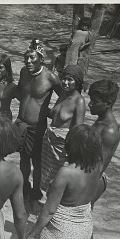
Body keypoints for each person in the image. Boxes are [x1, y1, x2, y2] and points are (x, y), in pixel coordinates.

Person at [20, 124, 102, 239]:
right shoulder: (96, 167)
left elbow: (49, 211)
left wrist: (30, 235)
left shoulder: (66, 173)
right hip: (84, 229)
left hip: (60, 233)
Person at [14, 39, 61, 214]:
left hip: (37, 127)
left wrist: (48, 112)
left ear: (41, 59)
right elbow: (21, 92)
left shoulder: (51, 78)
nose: (28, 61)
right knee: (23, 159)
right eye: (26, 57)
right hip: (21, 124)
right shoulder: (23, 72)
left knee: (37, 163)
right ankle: (24, 191)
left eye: (32, 58)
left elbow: (65, 99)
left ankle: (35, 196)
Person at [84, 79, 120, 239]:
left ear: (107, 103)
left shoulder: (110, 130)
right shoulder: (99, 121)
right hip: (86, 174)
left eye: (94, 101)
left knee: (84, 217)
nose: (89, 104)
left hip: (93, 180)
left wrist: (78, 185)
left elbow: (99, 167)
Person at [40, 64, 86, 192]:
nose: (65, 83)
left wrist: (72, 153)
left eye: (70, 80)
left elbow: (78, 130)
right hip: (49, 142)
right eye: (64, 79)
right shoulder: (63, 95)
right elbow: (55, 116)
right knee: (46, 176)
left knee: (57, 180)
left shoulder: (79, 101)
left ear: (77, 83)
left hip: (62, 147)